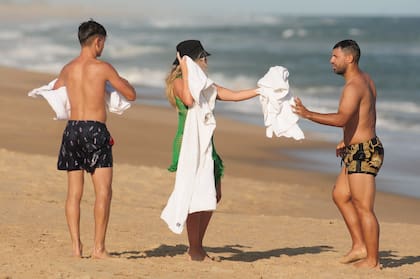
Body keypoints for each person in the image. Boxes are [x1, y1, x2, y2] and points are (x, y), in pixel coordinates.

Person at [293, 39, 384, 269]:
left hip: (364, 152)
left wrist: (307, 114)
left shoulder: (354, 86)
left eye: (335, 56)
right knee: (340, 195)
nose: (331, 61)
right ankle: (359, 246)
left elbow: (342, 118)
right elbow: (366, 115)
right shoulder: (365, 79)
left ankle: (372, 260)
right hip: (356, 148)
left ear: (349, 58)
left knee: (364, 207)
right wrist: (346, 138)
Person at [164, 40, 258, 261]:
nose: (206, 60)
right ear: (190, 60)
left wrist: (260, 91)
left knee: (214, 194)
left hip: (205, 142)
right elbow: (188, 99)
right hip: (188, 143)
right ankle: (195, 249)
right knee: (195, 194)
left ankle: (197, 246)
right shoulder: (180, 81)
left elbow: (232, 95)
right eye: (202, 56)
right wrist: (186, 70)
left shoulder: (204, 83)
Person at [54, 20, 137, 259]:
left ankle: (75, 248)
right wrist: (123, 84)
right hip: (94, 130)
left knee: (73, 194)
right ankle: (98, 248)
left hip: (72, 130)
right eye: (103, 43)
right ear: (98, 41)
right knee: (103, 191)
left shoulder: (68, 68)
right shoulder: (102, 68)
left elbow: (57, 90)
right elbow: (130, 94)